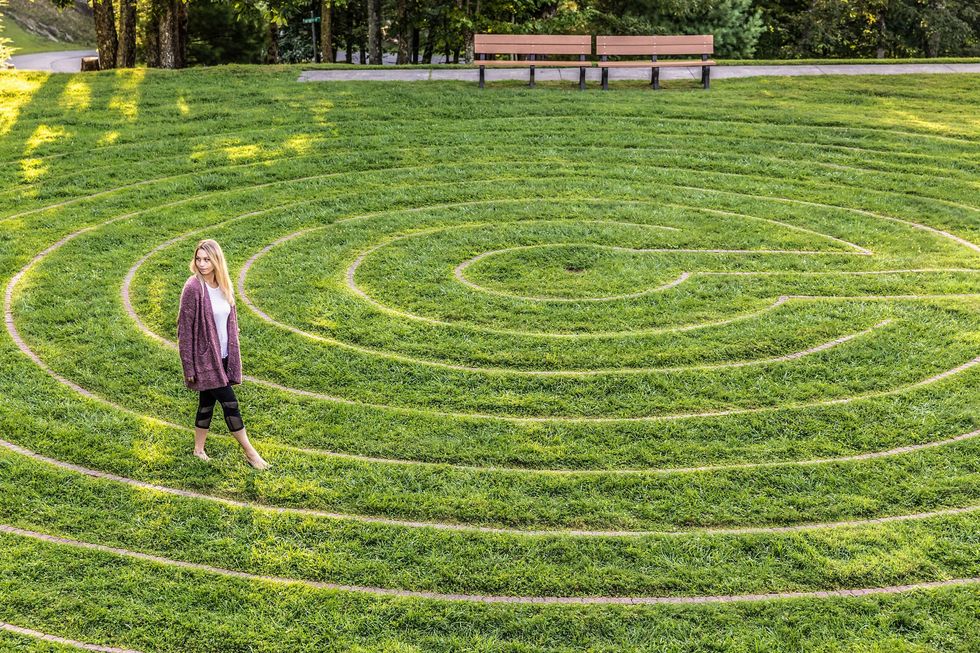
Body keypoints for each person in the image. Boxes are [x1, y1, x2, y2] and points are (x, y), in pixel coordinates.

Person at [177, 239, 269, 469]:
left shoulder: (224, 285)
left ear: (216, 260)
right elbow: (184, 330)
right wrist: (189, 367)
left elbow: (230, 320)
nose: (202, 264)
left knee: (206, 402)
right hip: (206, 360)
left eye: (207, 259)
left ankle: (198, 450)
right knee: (230, 404)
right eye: (198, 259)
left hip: (225, 356)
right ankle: (251, 453)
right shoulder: (193, 288)